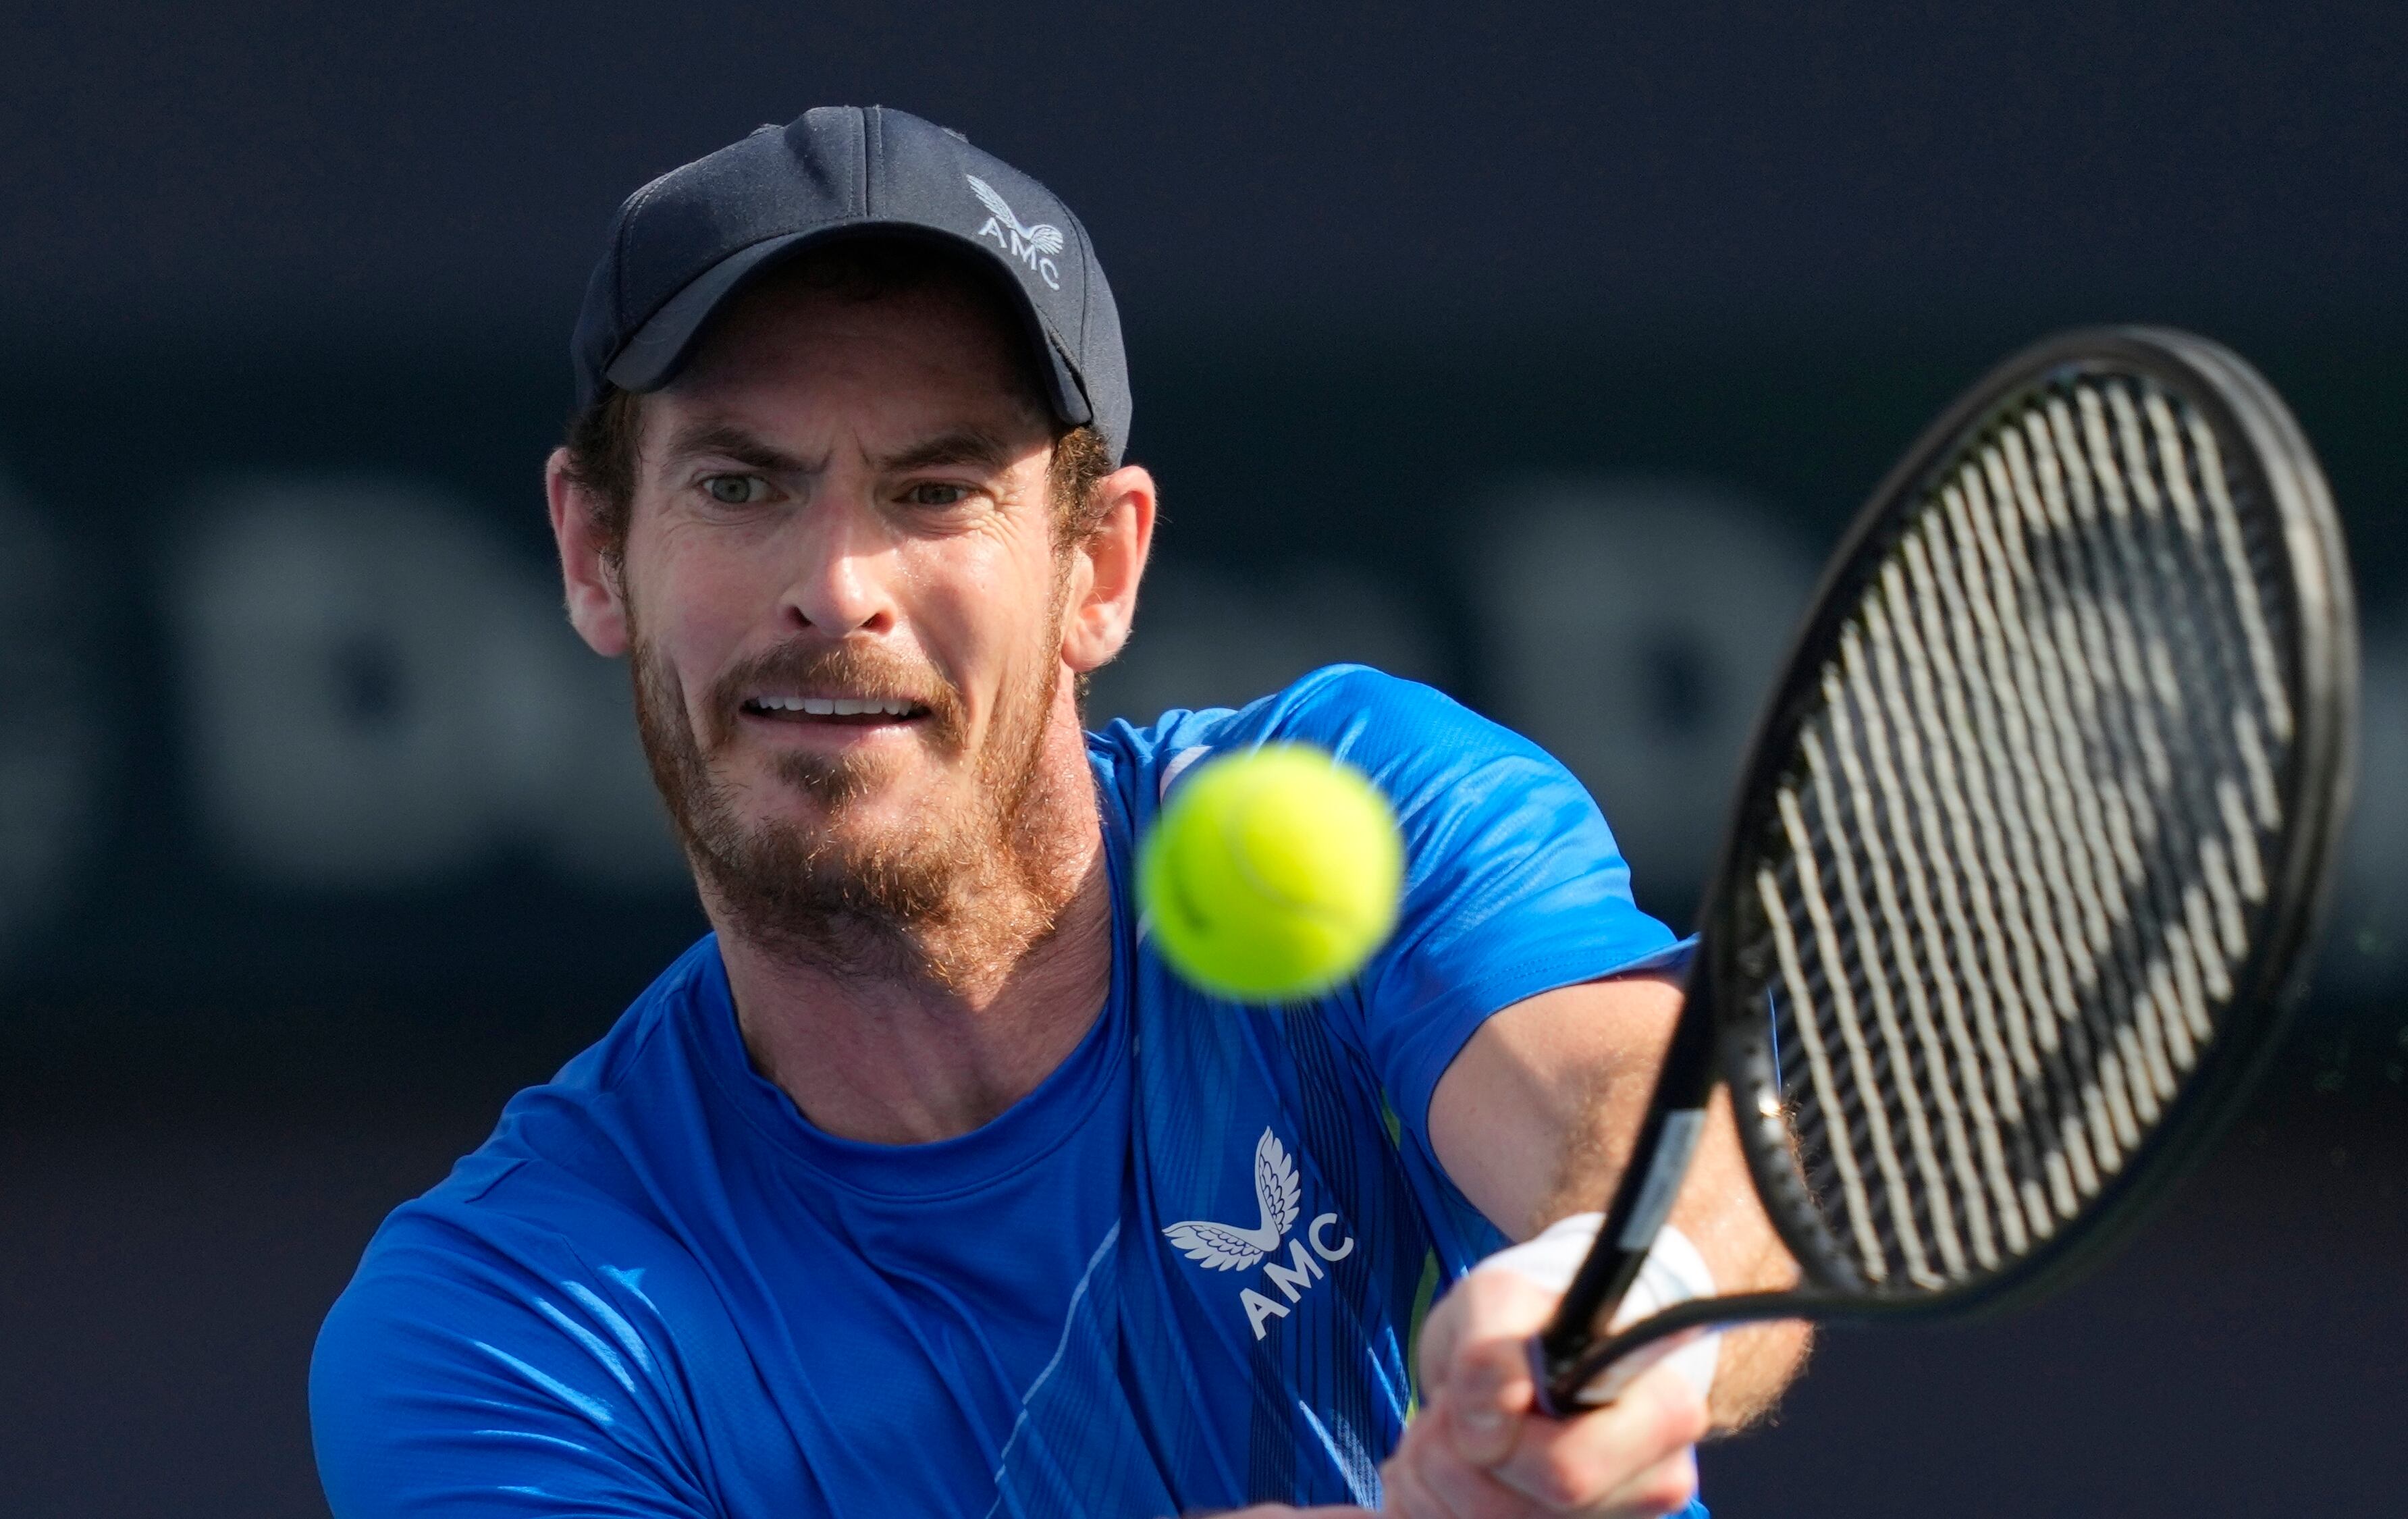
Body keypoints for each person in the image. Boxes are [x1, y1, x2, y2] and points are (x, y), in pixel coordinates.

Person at [309, 105, 1809, 1519]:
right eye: (740, 486)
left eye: (936, 490)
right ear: (594, 553)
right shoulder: (498, 1322)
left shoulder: (1368, 792)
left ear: (1098, 567)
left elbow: (1657, 1115)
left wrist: (1624, 1300)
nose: (837, 586)